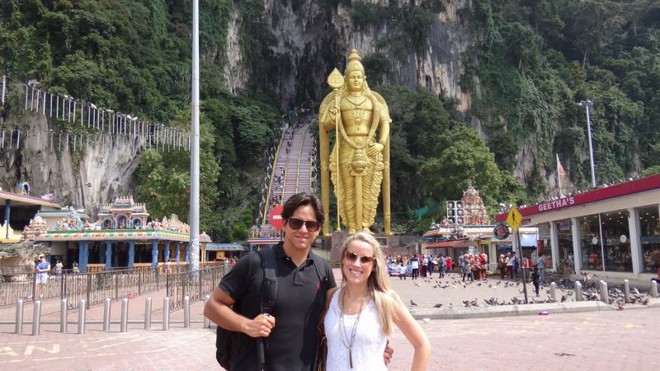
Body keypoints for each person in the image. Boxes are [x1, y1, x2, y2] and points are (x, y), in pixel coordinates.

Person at [204, 193, 335, 370]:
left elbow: (335, 318)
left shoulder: (323, 270)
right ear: (284, 224)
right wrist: (247, 325)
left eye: (311, 225)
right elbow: (212, 306)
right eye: (296, 223)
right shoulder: (254, 263)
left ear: (318, 230)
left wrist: (375, 345)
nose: (303, 230)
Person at [324, 232, 430, 371]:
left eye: (365, 259)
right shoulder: (330, 297)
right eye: (351, 256)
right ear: (343, 258)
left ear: (374, 265)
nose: (357, 264)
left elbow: (422, 345)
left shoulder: (386, 301)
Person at [319, 49, 392, 235]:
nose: (356, 80)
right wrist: (334, 115)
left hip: (369, 147)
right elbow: (325, 125)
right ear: (346, 78)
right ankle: (351, 225)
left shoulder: (373, 101)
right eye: (352, 77)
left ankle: (366, 224)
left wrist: (381, 144)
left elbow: (384, 123)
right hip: (346, 147)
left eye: (359, 76)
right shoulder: (340, 100)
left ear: (364, 78)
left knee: (368, 190)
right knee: (347, 188)